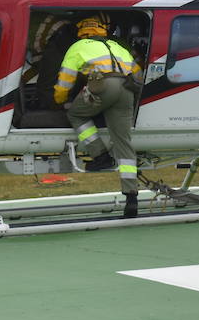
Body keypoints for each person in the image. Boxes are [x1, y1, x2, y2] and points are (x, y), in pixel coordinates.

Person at [53, 16, 142, 217]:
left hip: (101, 87)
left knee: (77, 115)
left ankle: (100, 156)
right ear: (102, 30)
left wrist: (59, 100)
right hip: (127, 90)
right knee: (123, 141)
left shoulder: (78, 46)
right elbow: (138, 73)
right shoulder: (117, 46)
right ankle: (132, 196)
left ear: (81, 31)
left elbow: (65, 80)